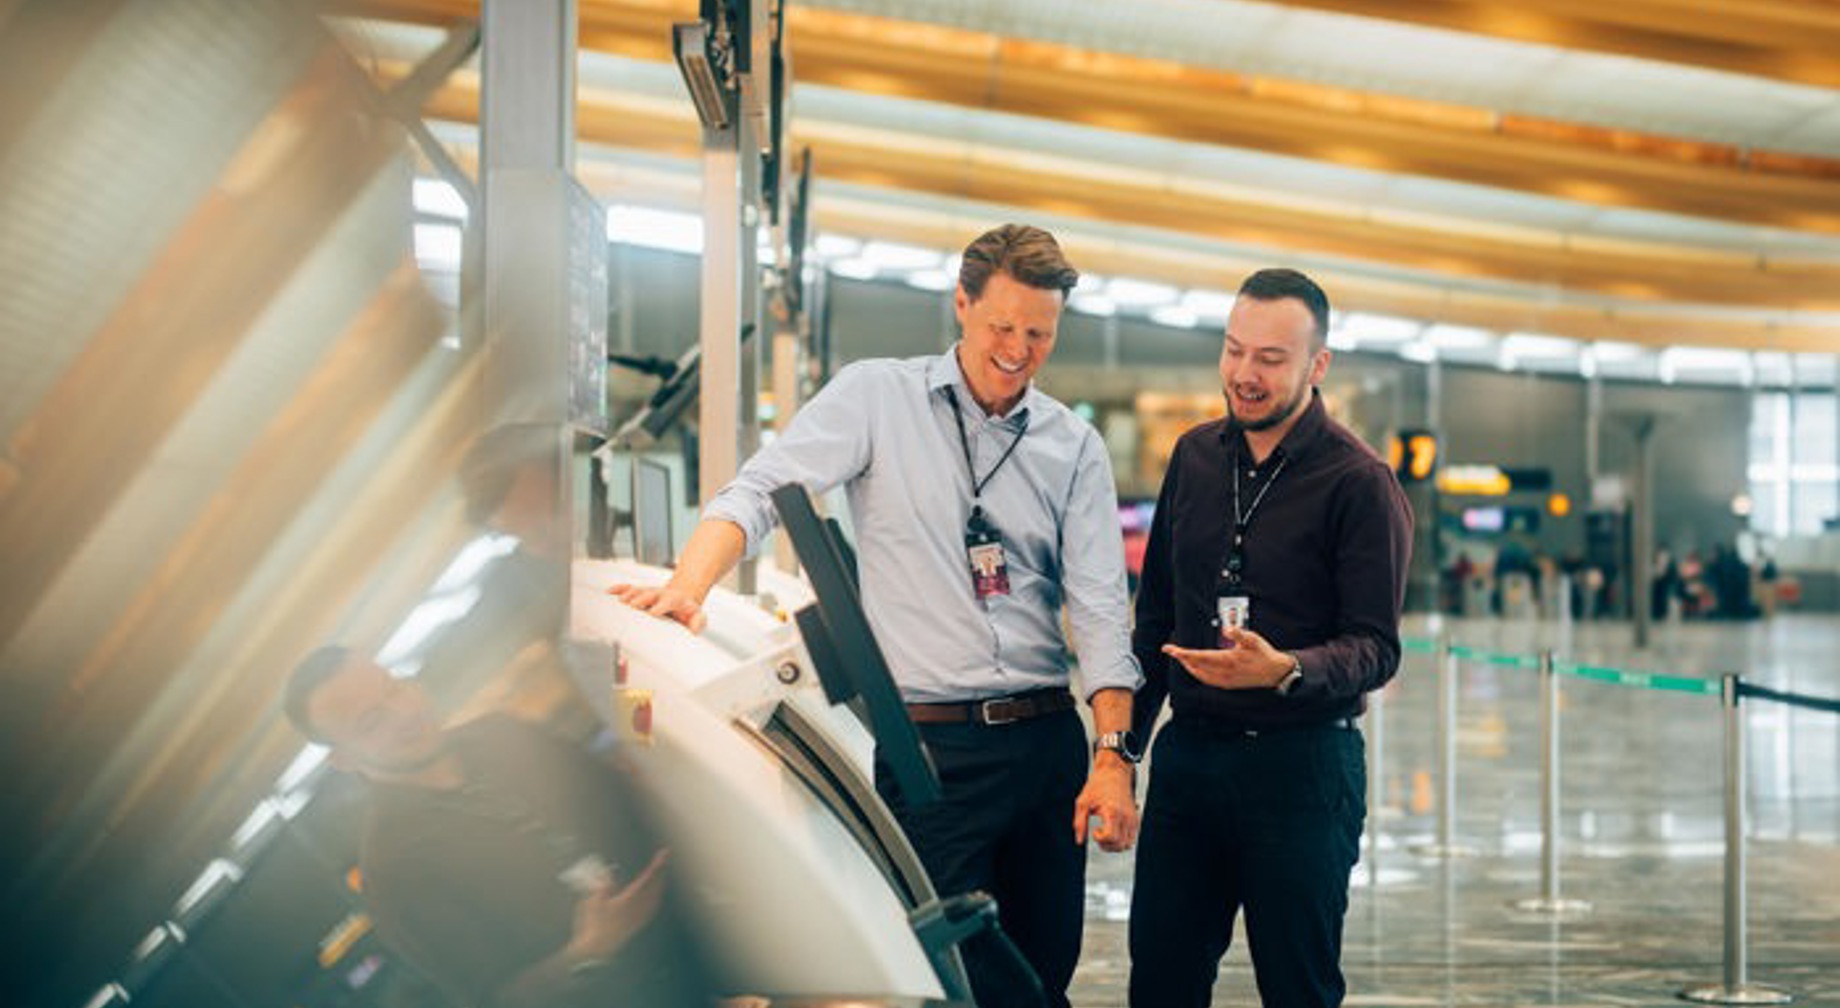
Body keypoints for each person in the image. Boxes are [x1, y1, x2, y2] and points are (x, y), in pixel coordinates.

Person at [612, 223, 1141, 1008]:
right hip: (931, 755)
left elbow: (1100, 608)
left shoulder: (1074, 446)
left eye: (1039, 333)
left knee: (1043, 970)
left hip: (1044, 748)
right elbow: (761, 490)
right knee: (957, 980)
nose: (1018, 349)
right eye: (1001, 326)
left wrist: (1112, 756)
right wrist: (689, 586)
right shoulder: (877, 397)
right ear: (961, 304)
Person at [1127, 268, 1412, 1007]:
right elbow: (1155, 619)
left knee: (1298, 988)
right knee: (1160, 983)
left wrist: (1286, 669)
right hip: (1189, 763)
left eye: (1270, 359)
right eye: (1233, 351)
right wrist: (1118, 753)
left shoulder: (1359, 482)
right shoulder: (1193, 457)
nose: (1243, 375)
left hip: (1303, 770)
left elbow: (1376, 646)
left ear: (1318, 367)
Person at [282, 647, 715, 1008]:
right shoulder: (392, 870)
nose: (404, 713)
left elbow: (629, 793)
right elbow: (495, 998)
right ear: (343, 760)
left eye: (394, 688)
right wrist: (588, 950)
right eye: (371, 722)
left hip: (720, 924)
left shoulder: (502, 732)